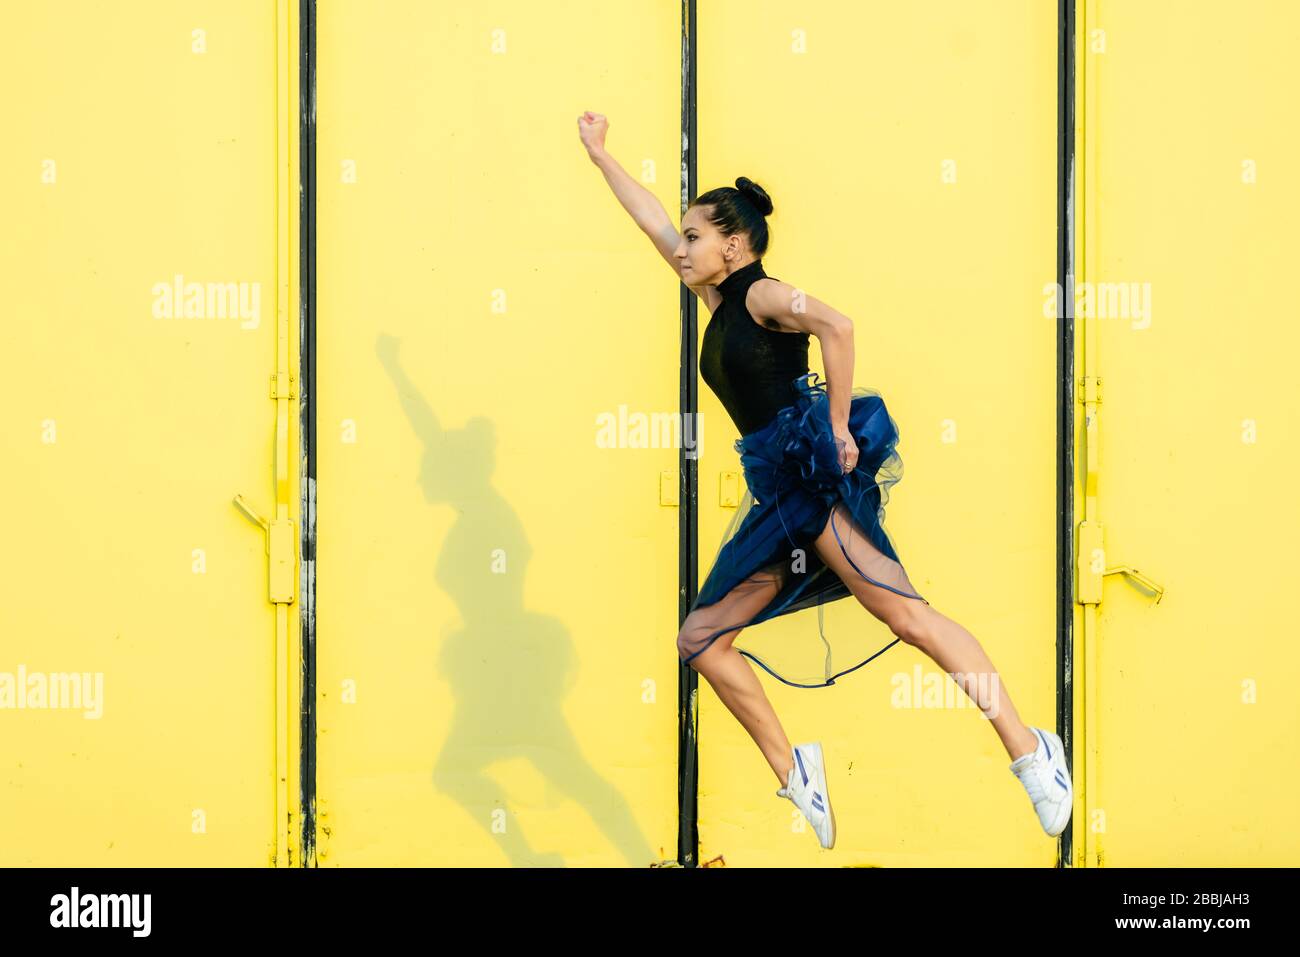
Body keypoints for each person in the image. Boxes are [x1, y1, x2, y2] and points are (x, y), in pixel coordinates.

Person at [578, 110, 1072, 850]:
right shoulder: (714, 303)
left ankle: (1031, 751)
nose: (679, 246)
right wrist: (599, 156)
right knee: (702, 638)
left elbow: (837, 326)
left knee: (908, 617)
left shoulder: (762, 295)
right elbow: (650, 219)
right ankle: (797, 769)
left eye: (694, 236)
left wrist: (838, 425)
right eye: (682, 236)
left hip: (810, 481)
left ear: (732, 245)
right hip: (777, 494)